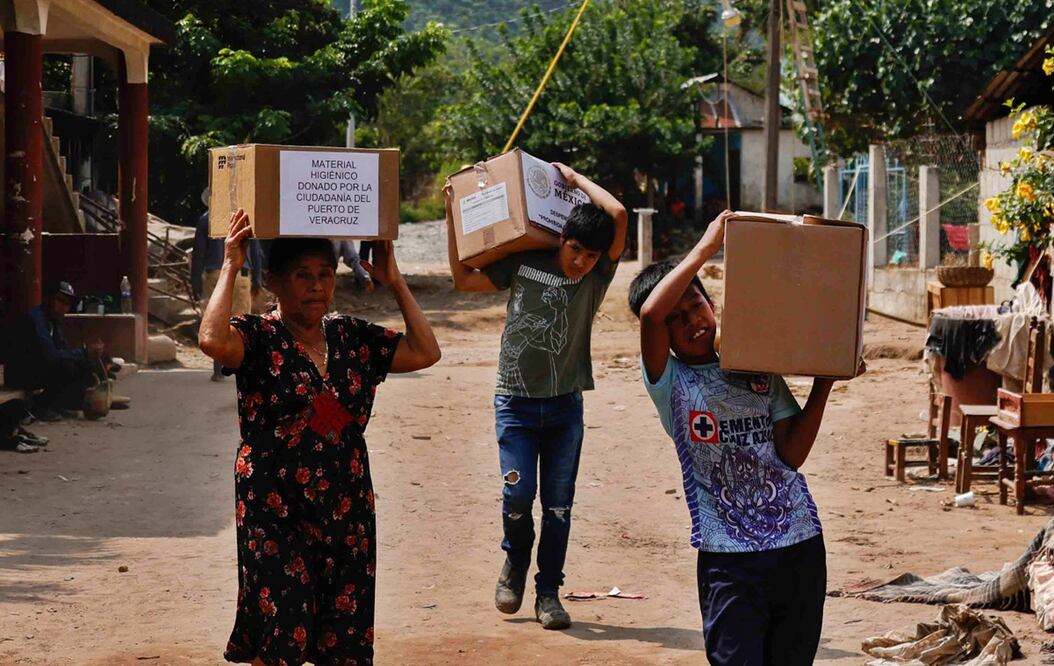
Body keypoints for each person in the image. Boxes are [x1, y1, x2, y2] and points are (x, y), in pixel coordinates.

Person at [199, 209, 441, 666]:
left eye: (325, 275)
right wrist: (232, 263)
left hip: (346, 510)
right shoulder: (258, 336)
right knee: (281, 634)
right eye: (302, 275)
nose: (316, 285)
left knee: (344, 638)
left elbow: (426, 351)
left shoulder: (351, 337)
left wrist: (395, 281)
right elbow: (212, 341)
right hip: (275, 512)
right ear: (273, 281)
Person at [627, 211, 864, 666]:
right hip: (728, 559)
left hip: (798, 546)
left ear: (712, 304)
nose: (691, 321)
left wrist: (826, 381)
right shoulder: (668, 380)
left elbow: (791, 455)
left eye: (696, 305)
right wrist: (707, 247)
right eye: (679, 319)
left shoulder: (755, 363)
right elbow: (652, 316)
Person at [443, 163, 628, 631]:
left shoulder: (596, 278)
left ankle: (549, 593)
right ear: (561, 238)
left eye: (591, 255)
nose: (581, 261)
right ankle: (514, 564)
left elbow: (619, 212)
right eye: (576, 249)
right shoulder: (525, 262)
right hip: (515, 402)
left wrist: (577, 179)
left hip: (566, 405)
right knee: (518, 493)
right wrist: (451, 214)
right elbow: (465, 279)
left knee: (559, 505)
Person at [4, 282, 106, 421]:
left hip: (38, 368)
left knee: (83, 365)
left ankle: (60, 405)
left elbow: (63, 348)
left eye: (67, 304)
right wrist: (83, 352)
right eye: (60, 301)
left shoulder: (53, 322)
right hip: (20, 373)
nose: (63, 307)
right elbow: (50, 355)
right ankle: (41, 407)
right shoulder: (36, 319)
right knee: (66, 366)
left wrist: (87, 356)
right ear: (48, 299)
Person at [193, 187, 265, 381]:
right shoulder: (245, 220)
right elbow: (256, 253)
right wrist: (257, 279)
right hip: (242, 275)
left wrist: (195, 284)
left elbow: (198, 255)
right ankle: (245, 372)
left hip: (215, 275)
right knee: (243, 323)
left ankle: (218, 371)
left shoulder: (205, 220)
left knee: (218, 321)